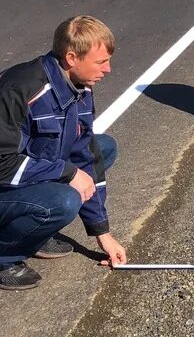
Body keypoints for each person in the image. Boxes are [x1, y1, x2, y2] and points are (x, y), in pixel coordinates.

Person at [0, 16, 127, 290]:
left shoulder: (80, 88)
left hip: (19, 176)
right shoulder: (20, 89)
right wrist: (66, 173)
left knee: (102, 149)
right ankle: (4, 256)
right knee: (65, 200)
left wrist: (101, 232)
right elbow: (2, 165)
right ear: (71, 57)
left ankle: (34, 232)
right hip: (3, 178)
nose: (108, 69)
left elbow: (85, 155)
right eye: (100, 62)